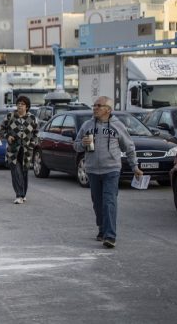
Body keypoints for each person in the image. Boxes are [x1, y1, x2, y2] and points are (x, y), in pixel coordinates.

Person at [73, 96, 143, 249]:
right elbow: (76, 145)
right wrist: (82, 144)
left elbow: (129, 147)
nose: (95, 108)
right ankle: (102, 228)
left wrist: (135, 167)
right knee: (98, 203)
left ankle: (110, 236)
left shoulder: (117, 126)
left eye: (99, 105)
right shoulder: (87, 125)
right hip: (92, 169)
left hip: (111, 169)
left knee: (109, 202)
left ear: (108, 109)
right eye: (94, 105)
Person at [0, 96, 38, 204]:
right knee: (16, 172)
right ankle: (19, 195)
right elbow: (0, 130)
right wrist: (7, 136)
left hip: (26, 150)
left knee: (24, 172)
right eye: (18, 103)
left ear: (27, 107)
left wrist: (32, 144)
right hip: (12, 150)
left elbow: (36, 133)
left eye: (22, 104)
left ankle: (23, 194)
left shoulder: (32, 118)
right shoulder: (10, 116)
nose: (20, 106)